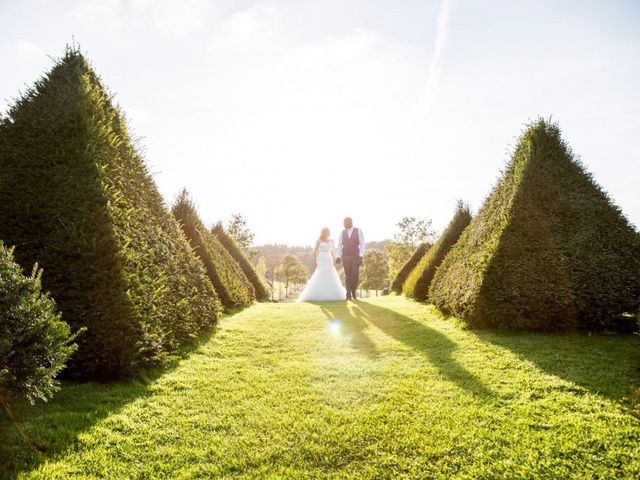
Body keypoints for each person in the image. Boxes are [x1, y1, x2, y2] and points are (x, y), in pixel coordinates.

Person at [296, 228, 346, 302]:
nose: (327, 233)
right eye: (326, 232)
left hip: (329, 258)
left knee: (330, 274)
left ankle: (332, 293)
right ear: (323, 232)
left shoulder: (332, 241)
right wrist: (315, 261)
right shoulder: (319, 241)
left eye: (328, 231)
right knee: (321, 273)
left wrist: (336, 259)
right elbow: (316, 251)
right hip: (321, 258)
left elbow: (334, 252)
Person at [336, 217, 365, 300]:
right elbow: (339, 245)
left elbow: (362, 244)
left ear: (350, 222)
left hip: (356, 256)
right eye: (343, 223)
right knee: (347, 276)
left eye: (345, 222)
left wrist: (361, 255)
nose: (344, 224)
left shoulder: (358, 231)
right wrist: (338, 256)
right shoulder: (342, 232)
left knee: (355, 275)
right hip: (345, 256)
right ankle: (348, 294)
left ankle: (353, 291)